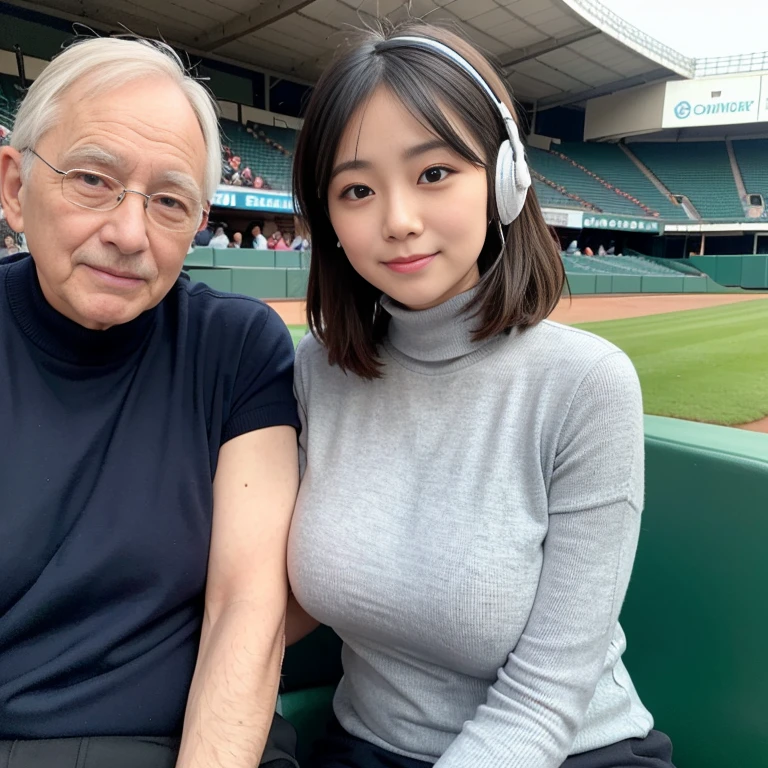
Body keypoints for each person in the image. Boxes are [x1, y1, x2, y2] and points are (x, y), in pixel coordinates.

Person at [286, 22, 675, 768]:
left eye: (434, 173)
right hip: (362, 748)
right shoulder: (317, 373)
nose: (398, 221)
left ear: (505, 179)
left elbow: (545, 697)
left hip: (562, 750)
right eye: (358, 189)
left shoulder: (586, 384)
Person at [0, 36, 300, 768]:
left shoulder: (238, 348)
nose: (129, 233)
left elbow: (246, 610)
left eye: (169, 201)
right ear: (14, 185)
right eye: (93, 180)